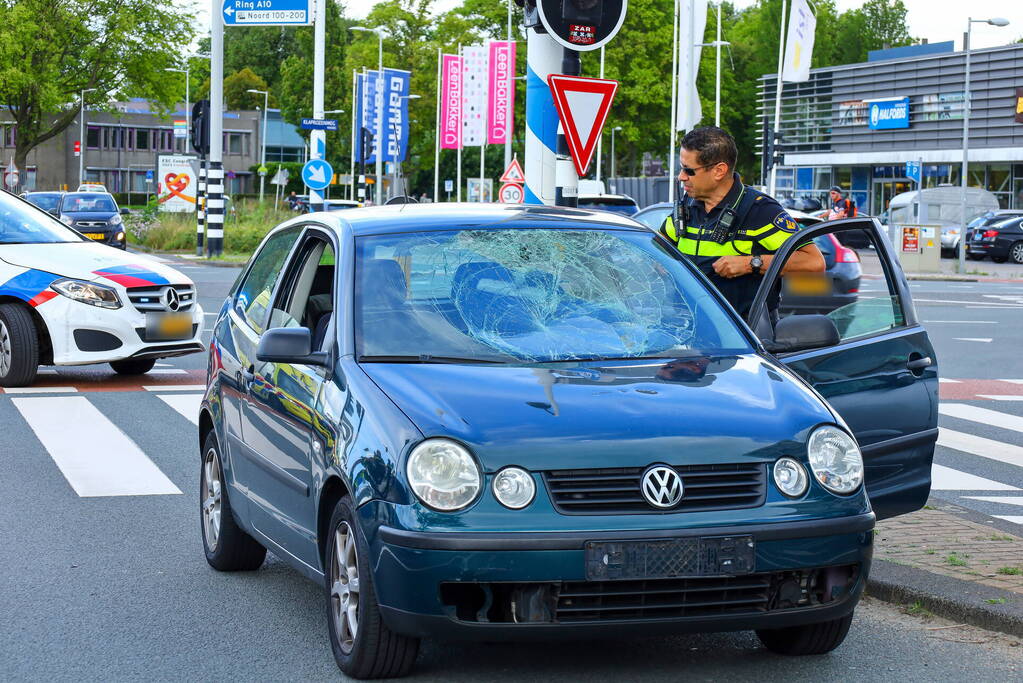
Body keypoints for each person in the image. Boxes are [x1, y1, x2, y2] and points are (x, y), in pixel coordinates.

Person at [659, 126, 825, 321]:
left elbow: (814, 262)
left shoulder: (761, 211)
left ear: (719, 171)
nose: (681, 177)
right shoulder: (687, 205)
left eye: (689, 170)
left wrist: (750, 263)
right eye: (681, 168)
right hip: (689, 330)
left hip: (744, 335)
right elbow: (659, 247)